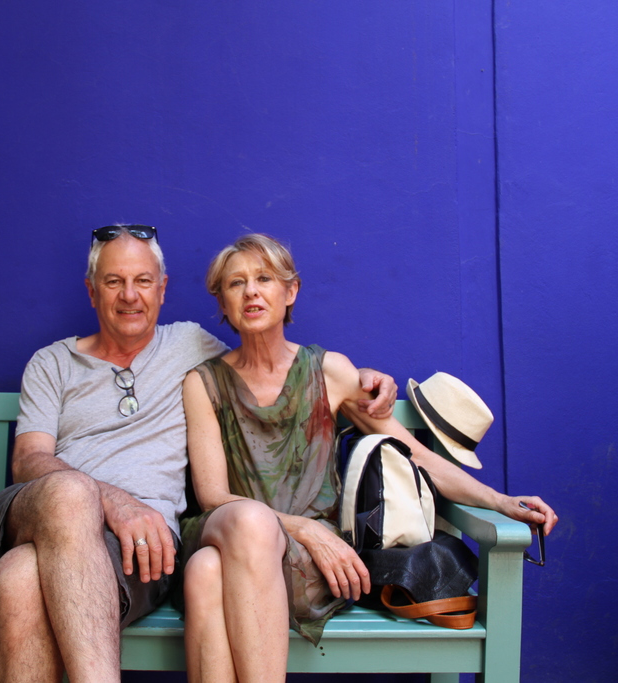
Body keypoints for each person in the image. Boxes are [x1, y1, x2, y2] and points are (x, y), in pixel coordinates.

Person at [0, 225, 398, 683]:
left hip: (139, 551)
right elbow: (28, 462)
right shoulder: (51, 363)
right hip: (46, 511)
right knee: (70, 493)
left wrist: (362, 381)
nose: (129, 295)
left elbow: (265, 364)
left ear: (162, 289)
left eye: (142, 281)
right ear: (92, 291)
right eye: (114, 281)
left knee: (19, 576)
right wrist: (113, 501)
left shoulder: (191, 348)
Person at [178, 233, 559, 682]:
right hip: (238, 531)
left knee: (205, 570)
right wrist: (310, 531)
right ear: (222, 302)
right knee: (235, 534)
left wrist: (498, 501)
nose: (252, 292)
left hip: (300, 561)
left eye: (264, 278)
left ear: (290, 291)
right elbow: (213, 497)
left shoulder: (328, 372)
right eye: (235, 283)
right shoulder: (203, 383)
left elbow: (414, 453)